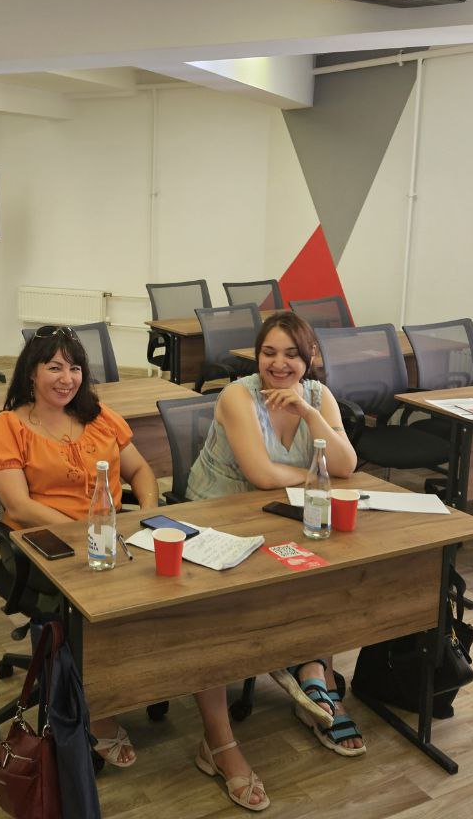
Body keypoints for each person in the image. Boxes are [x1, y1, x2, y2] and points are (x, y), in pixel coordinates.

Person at [0, 326, 270, 811]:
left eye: (75, 368)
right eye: (54, 367)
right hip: (46, 546)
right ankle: (96, 707)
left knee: (195, 605)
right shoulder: (7, 426)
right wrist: (90, 531)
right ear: (31, 373)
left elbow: (140, 472)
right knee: (110, 610)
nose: (67, 378)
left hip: (117, 538)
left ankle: (217, 740)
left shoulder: (98, 417)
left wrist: (146, 516)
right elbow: (20, 506)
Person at [187, 310, 367, 756]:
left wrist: (308, 413)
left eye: (291, 354)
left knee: (328, 571)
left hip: (281, 513)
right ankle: (304, 672)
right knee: (246, 597)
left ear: (309, 358)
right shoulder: (237, 395)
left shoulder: (318, 396)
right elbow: (261, 474)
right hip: (222, 513)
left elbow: (346, 465)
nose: (279, 364)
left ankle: (313, 675)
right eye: (268, 353)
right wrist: (317, 474)